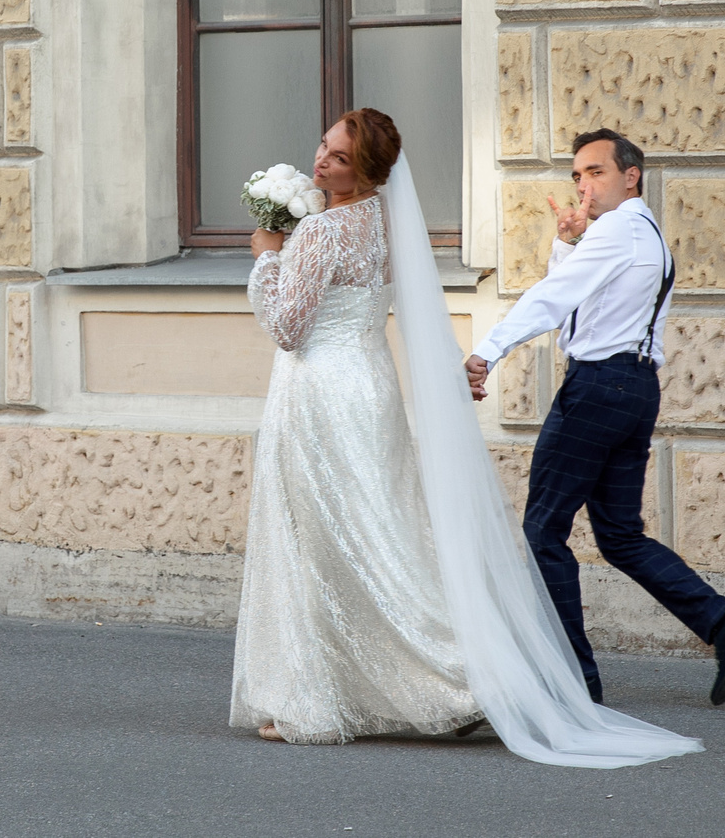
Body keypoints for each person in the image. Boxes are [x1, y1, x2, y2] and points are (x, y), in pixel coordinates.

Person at [229, 109, 699, 768]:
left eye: (336, 156)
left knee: (321, 539)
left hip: (317, 398)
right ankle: (466, 673)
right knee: (382, 536)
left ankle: (341, 692)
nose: (320, 162)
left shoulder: (320, 231)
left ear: (364, 170)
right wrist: (457, 368)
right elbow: (413, 311)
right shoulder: (386, 224)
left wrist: (265, 258)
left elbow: (286, 326)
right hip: (372, 389)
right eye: (323, 149)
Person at [464, 128, 725, 707]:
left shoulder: (620, 228)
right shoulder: (642, 232)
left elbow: (554, 299)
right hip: (634, 390)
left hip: (599, 388)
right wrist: (569, 241)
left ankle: (572, 679)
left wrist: (487, 352)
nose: (583, 185)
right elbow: (579, 298)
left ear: (631, 175)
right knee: (621, 535)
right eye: (577, 176)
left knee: (542, 529)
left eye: (595, 172)